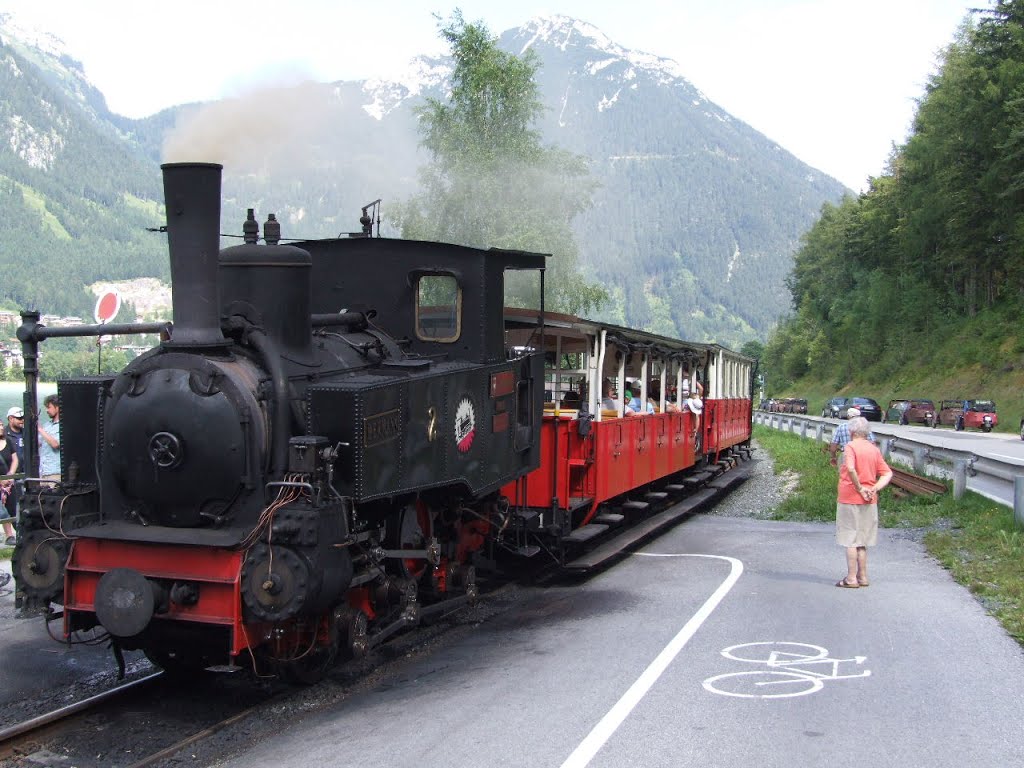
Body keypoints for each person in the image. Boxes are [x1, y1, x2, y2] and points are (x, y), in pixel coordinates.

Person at [835, 416, 893, 588]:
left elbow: (851, 468)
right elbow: (887, 473)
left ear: (851, 432)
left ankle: (851, 578)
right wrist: (874, 488)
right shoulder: (873, 449)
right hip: (870, 500)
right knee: (862, 540)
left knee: (850, 539)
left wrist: (859, 488)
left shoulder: (850, 447)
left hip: (849, 497)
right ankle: (863, 577)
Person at [0, 421, 16, 545]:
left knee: (11, 509)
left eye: (1, 425)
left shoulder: (8, 441)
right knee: (2, 512)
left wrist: (11, 474)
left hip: (8, 483)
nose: (1, 428)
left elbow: (15, 459)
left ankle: (10, 536)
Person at [39, 394, 61, 481]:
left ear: (57, 407)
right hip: (44, 472)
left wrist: (40, 429)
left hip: (56, 473)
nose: (46, 410)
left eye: (49, 407)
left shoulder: (64, 425)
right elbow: (40, 443)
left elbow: (55, 444)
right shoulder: (47, 425)